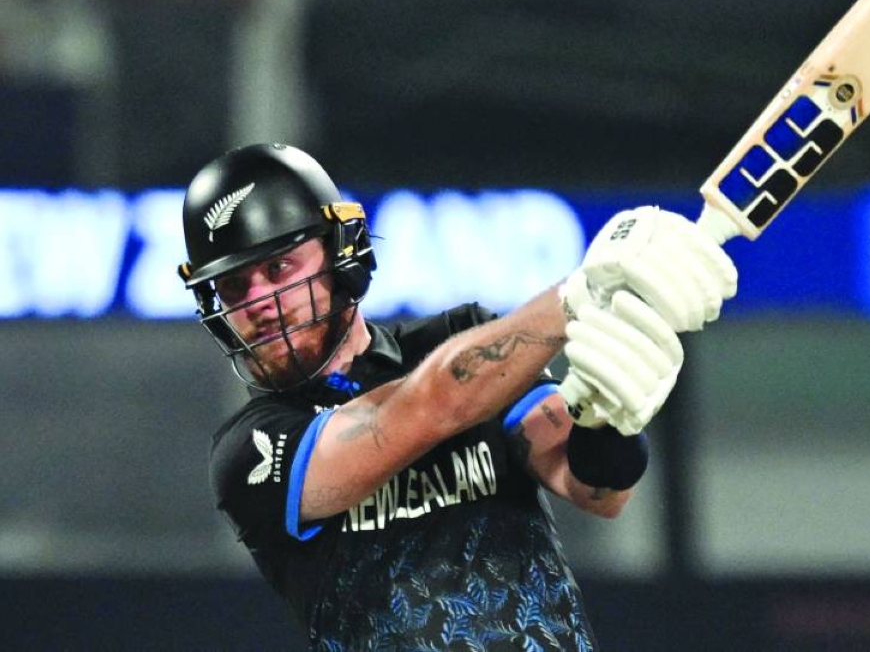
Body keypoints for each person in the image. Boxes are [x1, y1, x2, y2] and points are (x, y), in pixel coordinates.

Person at [177, 142, 736, 650]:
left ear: (342, 251)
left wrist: (609, 412)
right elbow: (423, 410)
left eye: (279, 267)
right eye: (233, 286)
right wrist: (580, 295)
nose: (257, 301)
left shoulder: (458, 338)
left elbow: (596, 490)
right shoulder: (254, 449)